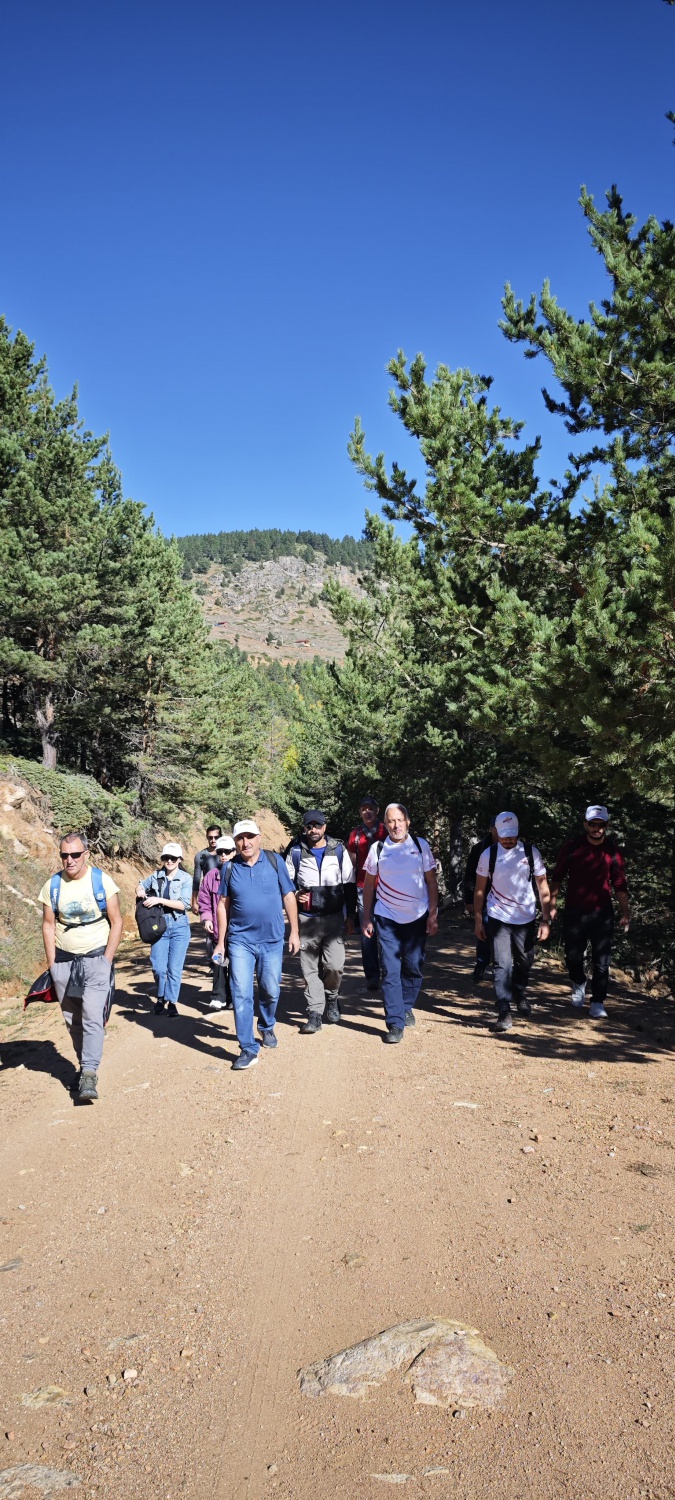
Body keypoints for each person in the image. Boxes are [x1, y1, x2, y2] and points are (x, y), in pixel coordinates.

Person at [39, 831, 123, 1103]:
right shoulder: (53, 886)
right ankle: (83, 1064)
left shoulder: (101, 881)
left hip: (96, 959)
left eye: (75, 854)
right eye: (65, 855)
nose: (70, 860)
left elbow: (117, 920)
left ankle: (89, 1072)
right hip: (64, 962)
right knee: (72, 1020)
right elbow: (49, 925)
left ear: (86, 853)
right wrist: (53, 965)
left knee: (91, 1016)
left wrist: (107, 959)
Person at [213, 819, 300, 1070]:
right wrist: (221, 942)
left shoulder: (274, 862)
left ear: (259, 838)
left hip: (272, 939)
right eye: (240, 838)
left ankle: (267, 1025)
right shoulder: (229, 869)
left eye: (250, 837)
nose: (245, 842)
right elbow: (222, 904)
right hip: (240, 941)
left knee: (270, 988)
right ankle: (248, 1048)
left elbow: (288, 896)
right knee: (240, 992)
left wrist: (294, 932)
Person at [361, 804, 438, 1043]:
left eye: (400, 820)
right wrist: (366, 917)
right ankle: (395, 1022)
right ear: (385, 824)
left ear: (408, 821)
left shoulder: (420, 845)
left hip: (417, 917)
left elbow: (431, 882)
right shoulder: (378, 848)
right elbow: (370, 885)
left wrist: (433, 914)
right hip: (387, 918)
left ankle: (405, 1006)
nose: (396, 825)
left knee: (414, 966)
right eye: (391, 821)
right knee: (390, 970)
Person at [549, 804, 630, 1020]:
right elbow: (557, 876)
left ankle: (597, 1001)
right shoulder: (573, 847)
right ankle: (578, 981)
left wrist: (625, 912)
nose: (596, 828)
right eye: (592, 824)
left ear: (606, 826)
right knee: (572, 956)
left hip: (602, 913)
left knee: (602, 961)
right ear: (585, 824)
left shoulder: (612, 851)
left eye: (600, 824)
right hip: (576, 910)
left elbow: (620, 883)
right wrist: (552, 904)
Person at [473, 811, 551, 1033]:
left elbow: (543, 887)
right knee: (501, 963)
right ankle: (504, 1009)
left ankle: (519, 991)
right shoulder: (488, 854)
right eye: (504, 835)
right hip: (498, 915)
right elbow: (480, 889)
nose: (508, 839)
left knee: (524, 960)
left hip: (525, 916)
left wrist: (545, 920)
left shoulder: (530, 852)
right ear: (496, 832)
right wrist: (479, 919)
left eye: (512, 835)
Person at [285, 809, 356, 1034]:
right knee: (309, 969)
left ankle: (332, 997)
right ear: (304, 828)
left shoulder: (339, 850)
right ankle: (315, 1013)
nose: (313, 829)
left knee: (334, 966)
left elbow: (349, 885)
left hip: (334, 918)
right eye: (309, 826)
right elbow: (286, 884)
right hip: (307, 919)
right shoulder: (295, 850)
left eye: (317, 825)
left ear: (324, 827)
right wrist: (296, 895)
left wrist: (351, 916)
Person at [136, 843, 193, 1017]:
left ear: (179, 860)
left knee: (174, 968)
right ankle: (161, 998)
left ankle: (172, 1002)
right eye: (166, 858)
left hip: (179, 925)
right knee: (159, 967)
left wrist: (159, 900)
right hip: (159, 925)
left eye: (173, 858)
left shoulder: (185, 878)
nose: (169, 861)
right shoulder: (156, 876)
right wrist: (139, 890)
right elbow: (140, 885)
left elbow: (185, 904)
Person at [347, 797, 387, 990]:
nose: (367, 812)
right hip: (364, 888)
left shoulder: (387, 830)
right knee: (367, 932)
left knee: (388, 932)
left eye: (370, 808)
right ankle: (372, 976)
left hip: (388, 888)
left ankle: (389, 973)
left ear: (377, 810)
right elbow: (352, 863)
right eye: (363, 809)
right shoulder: (355, 834)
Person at [197, 835, 236, 1010]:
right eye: (220, 852)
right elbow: (204, 899)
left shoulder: (241, 873)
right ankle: (218, 996)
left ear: (235, 852)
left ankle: (235, 997)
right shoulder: (212, 875)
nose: (223, 855)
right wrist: (206, 918)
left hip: (238, 929)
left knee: (236, 964)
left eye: (227, 852)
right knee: (219, 961)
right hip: (218, 928)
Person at [463, 821, 497, 983]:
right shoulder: (479, 849)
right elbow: (470, 874)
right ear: (491, 829)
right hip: (484, 896)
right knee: (484, 930)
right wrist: (469, 898)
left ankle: (500, 968)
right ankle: (481, 964)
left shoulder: (517, 849)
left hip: (508, 901)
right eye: (496, 828)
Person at [191, 824, 222, 914]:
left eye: (216, 837)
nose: (213, 840)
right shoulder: (200, 856)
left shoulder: (228, 854)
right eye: (210, 837)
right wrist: (194, 902)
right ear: (207, 837)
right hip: (209, 895)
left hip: (225, 894)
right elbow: (196, 880)